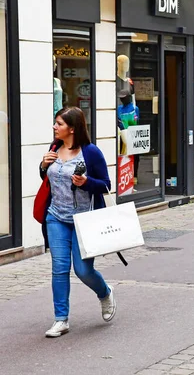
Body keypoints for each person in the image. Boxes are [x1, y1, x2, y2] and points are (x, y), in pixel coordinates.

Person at [39, 107, 116, 337]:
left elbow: (105, 185)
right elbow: (49, 179)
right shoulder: (54, 148)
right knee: (59, 268)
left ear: (72, 128)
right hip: (56, 217)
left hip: (84, 220)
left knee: (83, 270)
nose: (55, 127)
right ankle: (61, 320)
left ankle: (104, 292)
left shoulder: (91, 153)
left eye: (59, 124)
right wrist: (43, 166)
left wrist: (86, 182)